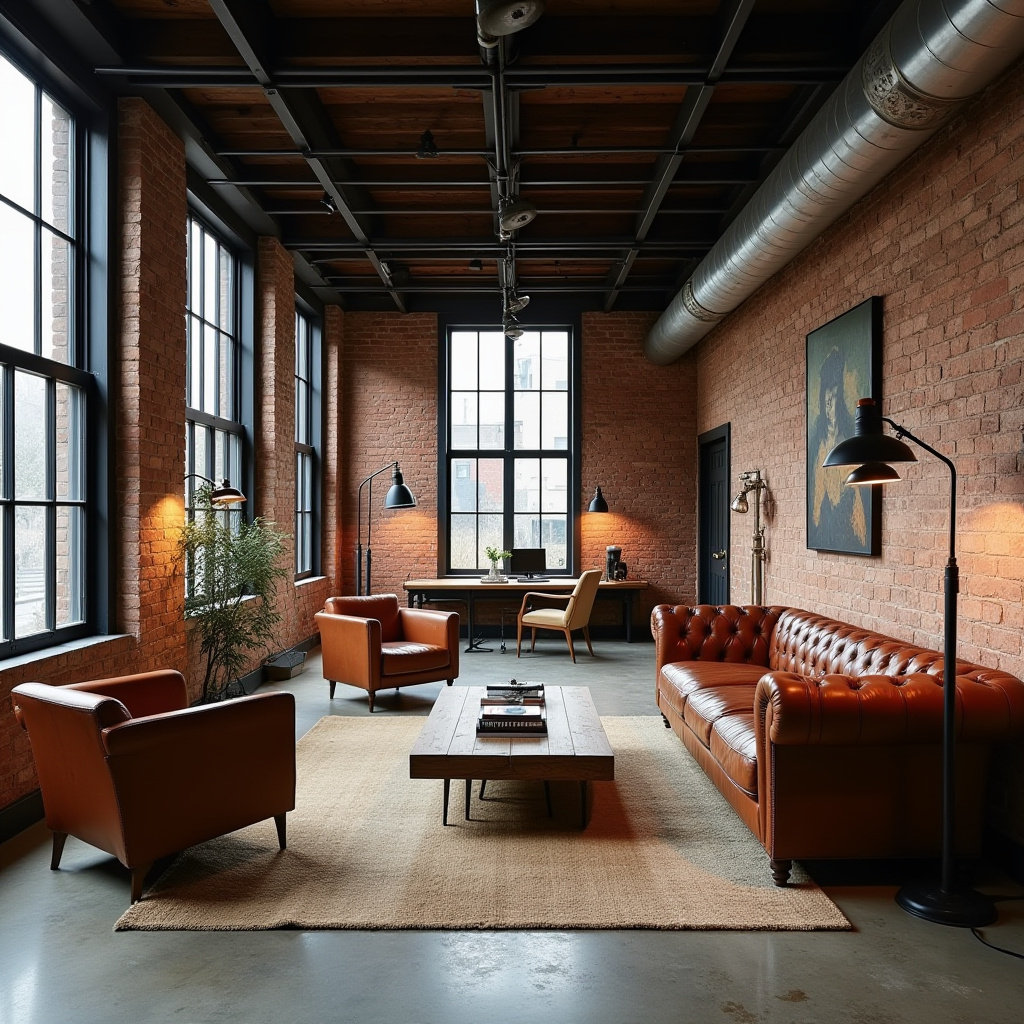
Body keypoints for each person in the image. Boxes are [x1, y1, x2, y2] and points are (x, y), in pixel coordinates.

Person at [809, 344, 868, 551]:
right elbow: (817, 504)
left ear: (840, 401)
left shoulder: (849, 443)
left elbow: (857, 505)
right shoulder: (818, 444)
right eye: (826, 399)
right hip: (825, 527)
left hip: (847, 529)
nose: (828, 405)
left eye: (833, 398)